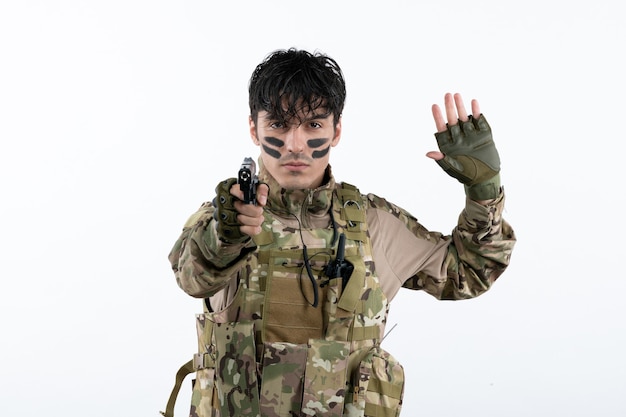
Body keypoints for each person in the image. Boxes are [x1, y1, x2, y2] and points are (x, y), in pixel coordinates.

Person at [165, 48, 516, 417]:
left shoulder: (374, 224)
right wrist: (228, 236)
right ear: (254, 129)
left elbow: (470, 271)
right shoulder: (225, 219)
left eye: (313, 125)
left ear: (337, 131)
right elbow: (192, 277)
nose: (295, 144)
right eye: (279, 125)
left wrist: (484, 190)